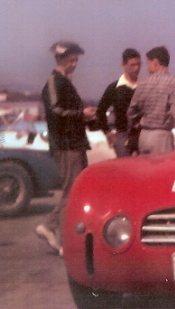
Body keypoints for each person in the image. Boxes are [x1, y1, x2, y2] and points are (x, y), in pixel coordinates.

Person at [35, 41, 96, 256]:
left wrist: (84, 115)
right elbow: (56, 112)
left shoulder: (63, 82)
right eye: (73, 59)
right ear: (62, 60)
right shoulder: (55, 82)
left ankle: (53, 228)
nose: (75, 64)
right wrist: (82, 114)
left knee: (74, 190)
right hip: (66, 145)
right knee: (72, 191)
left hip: (73, 144)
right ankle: (57, 234)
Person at [127, 46, 175, 154]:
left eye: (148, 63)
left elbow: (131, 111)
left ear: (155, 63)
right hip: (161, 138)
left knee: (146, 170)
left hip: (144, 137)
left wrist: (138, 123)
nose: (147, 67)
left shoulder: (142, 83)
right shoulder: (173, 83)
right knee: (162, 170)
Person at [96, 48, 142, 157]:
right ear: (123, 65)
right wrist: (107, 132)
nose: (136, 68)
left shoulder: (144, 86)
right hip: (123, 135)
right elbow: (100, 111)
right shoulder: (114, 88)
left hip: (142, 134)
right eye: (132, 65)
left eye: (139, 64)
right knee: (125, 169)